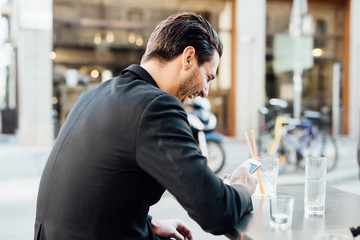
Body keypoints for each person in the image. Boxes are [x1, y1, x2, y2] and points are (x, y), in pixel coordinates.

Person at [34, 12, 258, 240]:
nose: (205, 92)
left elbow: (95, 190)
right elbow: (216, 213)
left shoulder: (94, 95)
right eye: (208, 77)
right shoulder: (157, 107)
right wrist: (242, 188)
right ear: (188, 57)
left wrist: (148, 224)